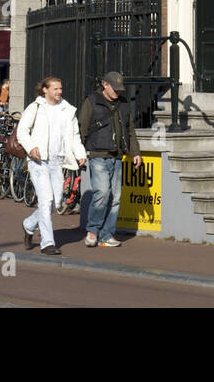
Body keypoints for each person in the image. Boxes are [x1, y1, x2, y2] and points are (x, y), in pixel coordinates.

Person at [17, 76, 86, 255]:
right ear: (45, 90)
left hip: (57, 161)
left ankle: (29, 224)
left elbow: (74, 135)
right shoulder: (36, 107)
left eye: (60, 88)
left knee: (55, 203)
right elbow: (22, 131)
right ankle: (47, 243)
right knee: (46, 201)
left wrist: (79, 153)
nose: (59, 92)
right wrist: (31, 147)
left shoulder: (67, 109)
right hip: (38, 161)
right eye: (55, 88)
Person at [78, 71, 142, 248]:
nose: (118, 93)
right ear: (105, 85)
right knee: (102, 193)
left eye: (120, 89)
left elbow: (130, 130)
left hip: (118, 156)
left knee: (116, 198)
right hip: (98, 155)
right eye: (115, 89)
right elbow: (82, 129)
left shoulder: (123, 104)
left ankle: (107, 234)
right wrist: (79, 153)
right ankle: (93, 231)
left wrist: (135, 152)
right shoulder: (91, 101)